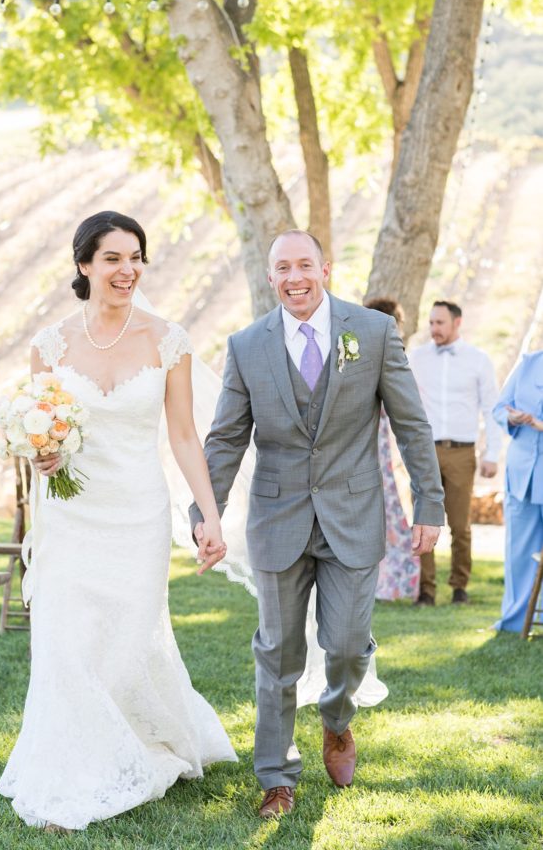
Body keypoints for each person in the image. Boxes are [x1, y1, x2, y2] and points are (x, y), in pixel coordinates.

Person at [0, 211, 236, 832]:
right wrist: (43, 453)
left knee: (126, 643)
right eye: (112, 258)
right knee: (67, 642)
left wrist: (208, 514)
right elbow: (41, 436)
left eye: (135, 257)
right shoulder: (49, 345)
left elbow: (184, 437)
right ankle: (78, 768)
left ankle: (140, 738)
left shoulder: (168, 340)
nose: (127, 269)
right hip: (73, 514)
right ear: (84, 265)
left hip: (139, 515)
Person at [191, 230, 443, 815]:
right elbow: (226, 437)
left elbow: (411, 423)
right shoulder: (248, 345)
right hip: (277, 518)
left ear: (325, 269)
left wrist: (428, 502)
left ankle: (336, 718)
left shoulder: (373, 333)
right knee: (276, 651)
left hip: (353, 515)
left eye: (305, 264)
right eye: (282, 267)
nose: (294, 277)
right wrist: (208, 513)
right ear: (270, 275)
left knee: (349, 646)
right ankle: (277, 776)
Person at [409, 300, 501, 606]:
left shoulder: (478, 360)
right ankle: (426, 590)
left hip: (462, 452)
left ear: (457, 323)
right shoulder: (417, 358)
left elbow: (491, 408)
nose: (434, 329)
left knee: (460, 525)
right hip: (425, 452)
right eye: (431, 323)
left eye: (440, 323)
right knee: (423, 521)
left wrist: (492, 453)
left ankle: (460, 586)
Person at [363, 298, 420, 601]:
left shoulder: (395, 358)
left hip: (384, 446)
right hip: (362, 442)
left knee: (388, 507)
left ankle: (391, 582)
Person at [492, 350, 543, 633]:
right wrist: (512, 418)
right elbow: (499, 407)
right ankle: (513, 622)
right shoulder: (526, 364)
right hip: (522, 470)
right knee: (519, 550)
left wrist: (539, 424)